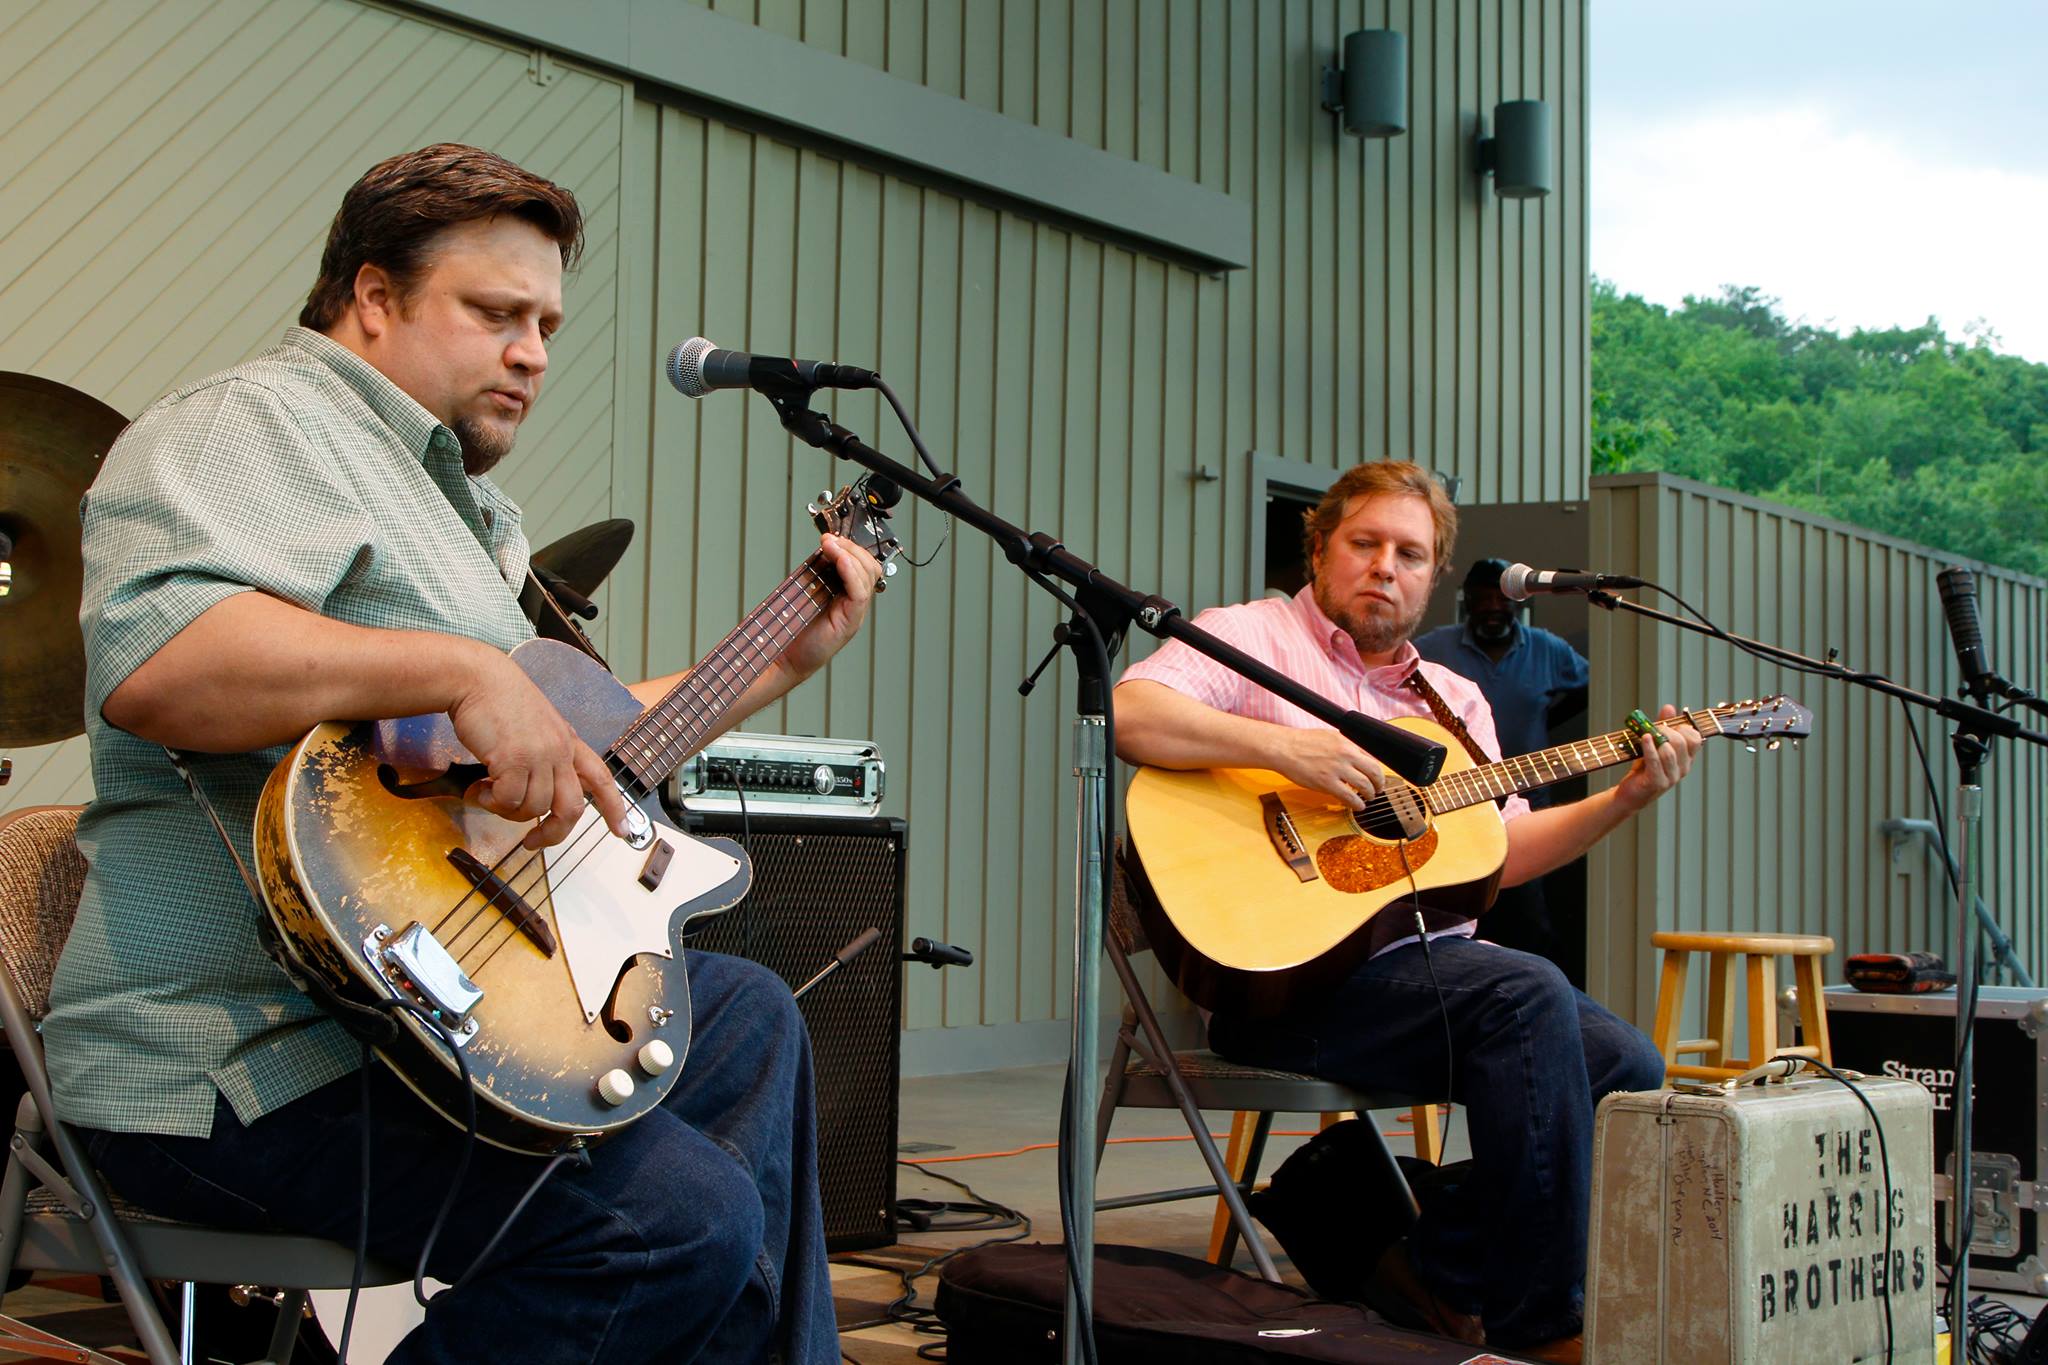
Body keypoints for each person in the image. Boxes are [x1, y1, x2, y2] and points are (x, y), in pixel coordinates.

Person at [45, 144, 879, 1365]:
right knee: (670, 1224)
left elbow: (577, 738)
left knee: (745, 1016)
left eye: (544, 321)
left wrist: (778, 660)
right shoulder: (253, 424)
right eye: (496, 314)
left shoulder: (467, 512)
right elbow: (158, 665)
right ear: (374, 299)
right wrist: (462, 667)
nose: (534, 350)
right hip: (239, 1055)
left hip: (422, 1017)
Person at [1112, 460, 1700, 1363]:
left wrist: (1622, 799)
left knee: (1628, 1065)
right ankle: (1541, 1331)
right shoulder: (1250, 635)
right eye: (1365, 543)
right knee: (1529, 993)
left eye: (1411, 554)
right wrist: (1291, 750)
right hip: (1287, 985)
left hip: (1431, 984)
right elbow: (1131, 711)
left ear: (1433, 578)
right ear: (1321, 549)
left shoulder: (1454, 705)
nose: (1386, 567)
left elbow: (1500, 857)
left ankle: (1430, 1265)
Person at [1415, 557, 1592, 963]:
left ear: (1516, 601)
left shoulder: (1549, 650)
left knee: (1531, 928)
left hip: (1526, 808)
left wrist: (1545, 718)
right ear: (1468, 602)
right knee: (1460, 926)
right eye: (1482, 598)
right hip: (1456, 812)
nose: (1492, 606)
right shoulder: (1434, 648)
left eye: (1500, 597)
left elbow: (1588, 688)